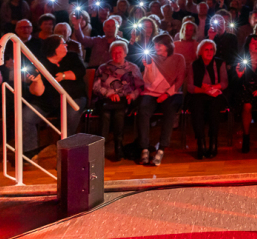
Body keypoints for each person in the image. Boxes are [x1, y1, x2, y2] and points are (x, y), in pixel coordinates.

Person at [22, 35, 88, 158]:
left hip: (73, 98)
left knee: (71, 114)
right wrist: (37, 81)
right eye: (63, 43)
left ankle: (66, 150)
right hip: (48, 101)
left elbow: (80, 72)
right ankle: (30, 152)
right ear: (54, 48)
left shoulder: (72, 57)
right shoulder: (39, 63)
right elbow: (38, 92)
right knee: (25, 116)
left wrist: (62, 75)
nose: (66, 45)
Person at [136, 34, 186, 166]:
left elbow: (180, 80)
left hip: (170, 94)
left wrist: (167, 94)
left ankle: (162, 148)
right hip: (151, 92)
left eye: (159, 44)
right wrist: (148, 67)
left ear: (167, 45)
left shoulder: (178, 58)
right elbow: (149, 81)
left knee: (170, 112)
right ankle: (145, 148)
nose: (156, 47)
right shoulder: (152, 58)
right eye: (155, 44)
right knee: (143, 111)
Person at [92, 41, 143, 160]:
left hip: (125, 100)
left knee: (119, 112)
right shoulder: (103, 68)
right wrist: (109, 93)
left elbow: (140, 87)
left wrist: (133, 95)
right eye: (114, 53)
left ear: (125, 53)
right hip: (105, 100)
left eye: (119, 52)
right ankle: (101, 146)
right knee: (106, 113)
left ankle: (118, 145)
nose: (117, 55)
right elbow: (96, 87)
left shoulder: (133, 68)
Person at [187, 39, 229, 159]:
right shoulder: (193, 65)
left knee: (214, 109)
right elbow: (190, 87)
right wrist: (204, 90)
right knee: (196, 108)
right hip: (199, 93)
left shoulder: (220, 63)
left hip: (216, 93)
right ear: (200, 51)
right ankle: (201, 142)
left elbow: (225, 82)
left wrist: (212, 88)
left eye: (211, 49)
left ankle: (213, 142)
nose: (209, 52)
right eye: (206, 49)